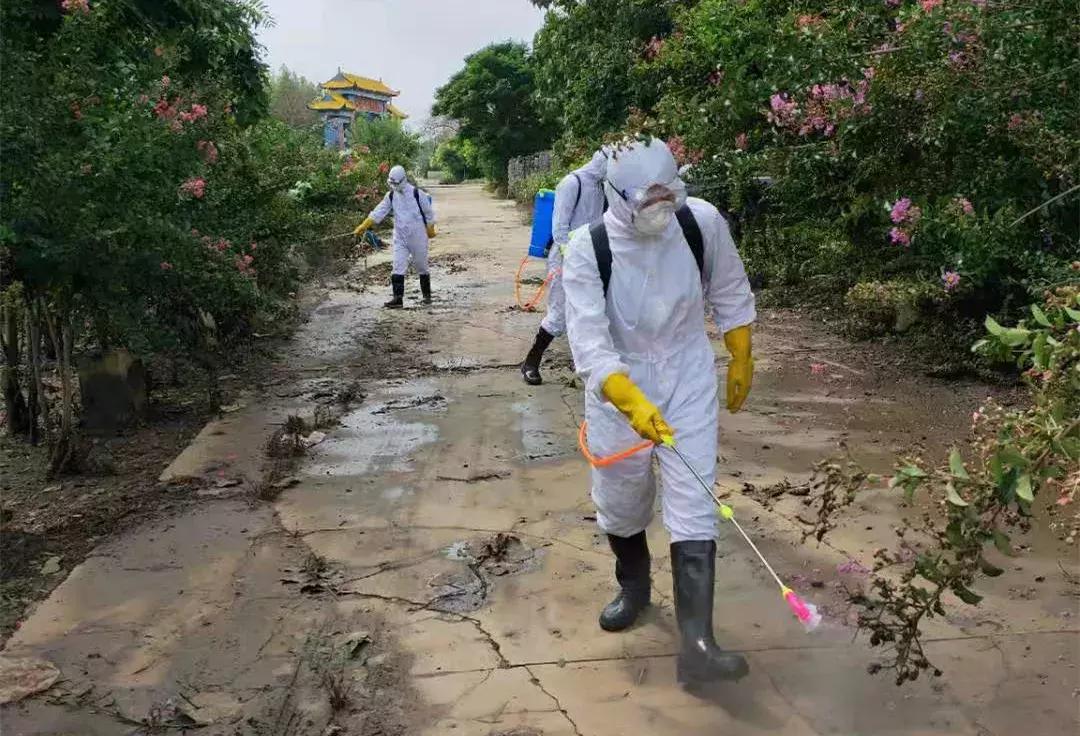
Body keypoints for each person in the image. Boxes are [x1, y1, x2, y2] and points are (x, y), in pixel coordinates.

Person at [562, 137, 756, 685]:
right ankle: (634, 586)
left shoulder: (700, 222)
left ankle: (698, 643)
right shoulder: (587, 247)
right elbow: (590, 341)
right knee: (622, 499)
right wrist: (628, 399)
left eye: (668, 199)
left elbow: (730, 288)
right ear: (615, 195)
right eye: (647, 202)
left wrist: (741, 352)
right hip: (618, 388)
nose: (660, 214)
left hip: (687, 373)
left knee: (696, 499)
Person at [519, 150, 608, 385]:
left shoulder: (602, 187)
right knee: (558, 314)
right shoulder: (571, 183)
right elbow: (559, 229)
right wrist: (574, 257)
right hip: (566, 259)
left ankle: (594, 369)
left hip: (592, 258)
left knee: (595, 312)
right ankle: (531, 363)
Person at [354, 165, 437, 309]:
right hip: (400, 237)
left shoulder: (417, 194)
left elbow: (429, 213)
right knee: (398, 266)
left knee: (421, 266)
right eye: (391, 183)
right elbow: (379, 211)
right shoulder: (391, 196)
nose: (393, 186)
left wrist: (430, 228)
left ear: (403, 180)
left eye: (396, 183)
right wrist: (365, 224)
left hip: (418, 237)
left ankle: (427, 296)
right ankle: (397, 298)